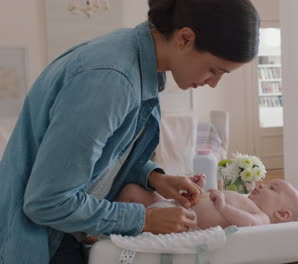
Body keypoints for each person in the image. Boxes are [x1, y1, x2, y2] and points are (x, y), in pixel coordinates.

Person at [0, 0, 260, 263]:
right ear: (184, 38)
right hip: (36, 242)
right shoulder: (112, 81)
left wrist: (154, 177)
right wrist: (143, 219)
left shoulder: (134, 61)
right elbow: (46, 202)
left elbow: (100, 158)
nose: (214, 83)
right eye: (214, 70)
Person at [115, 175, 298, 231]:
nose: (262, 185)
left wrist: (224, 208)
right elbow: (205, 202)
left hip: (177, 221)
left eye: (272, 188)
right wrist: (197, 190)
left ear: (282, 214)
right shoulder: (244, 199)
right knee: (131, 190)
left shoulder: (263, 218)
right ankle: (107, 228)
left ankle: (109, 234)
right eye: (266, 183)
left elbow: (248, 224)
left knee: (138, 212)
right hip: (173, 206)